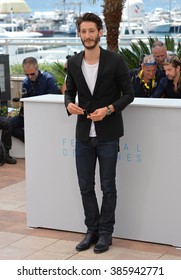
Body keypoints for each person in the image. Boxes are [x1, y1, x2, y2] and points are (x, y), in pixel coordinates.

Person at [64, 13, 134, 254]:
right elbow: (69, 91)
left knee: (108, 187)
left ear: (100, 32)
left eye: (91, 31)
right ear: (80, 34)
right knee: (85, 186)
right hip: (83, 134)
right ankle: (91, 231)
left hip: (108, 134)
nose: (87, 36)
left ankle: (106, 233)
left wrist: (109, 109)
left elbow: (128, 93)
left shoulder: (115, 61)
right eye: (83, 31)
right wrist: (68, 104)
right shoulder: (73, 63)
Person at [10, 57, 60, 142]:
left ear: (37, 68)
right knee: (8, 124)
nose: (29, 77)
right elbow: (25, 101)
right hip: (29, 115)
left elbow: (54, 101)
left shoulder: (48, 79)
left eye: (32, 74)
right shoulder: (26, 82)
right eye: (27, 74)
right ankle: (30, 141)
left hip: (46, 116)